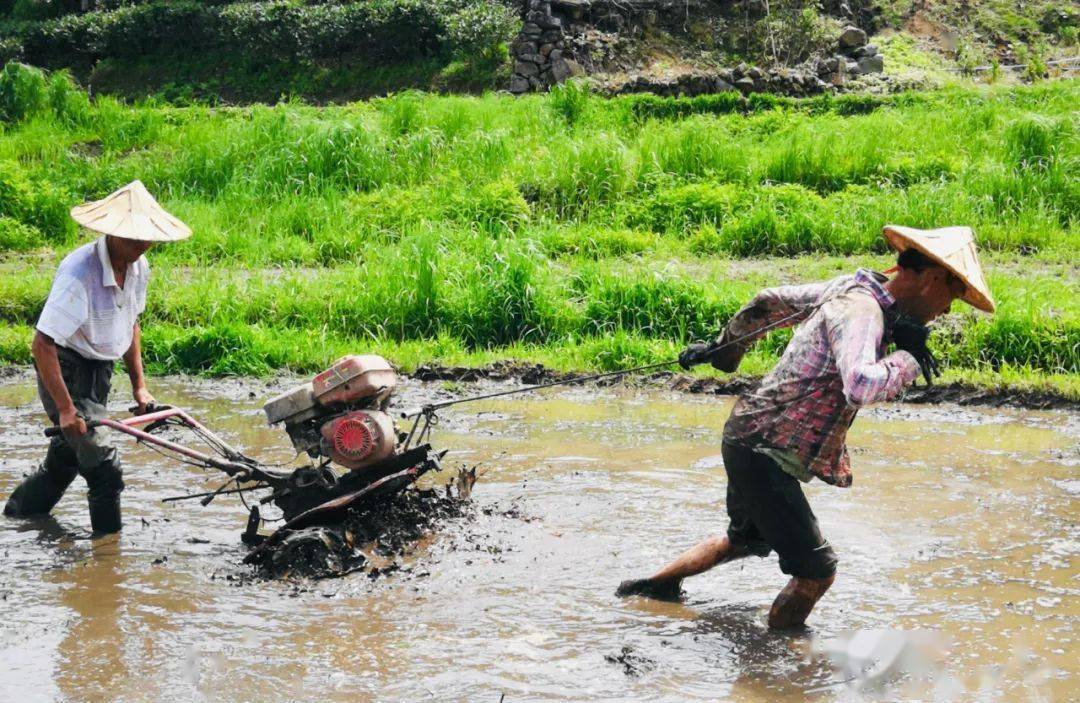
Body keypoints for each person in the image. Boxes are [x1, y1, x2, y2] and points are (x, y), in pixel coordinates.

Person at [615, 225, 995, 628]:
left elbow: (769, 302)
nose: (949, 309)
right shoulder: (861, 311)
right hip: (764, 452)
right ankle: (776, 663)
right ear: (933, 277)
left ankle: (651, 587)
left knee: (745, 540)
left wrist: (723, 351)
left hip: (747, 435)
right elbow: (862, 385)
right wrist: (909, 358)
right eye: (952, 295)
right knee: (817, 572)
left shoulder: (852, 288)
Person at [3, 181, 191, 534]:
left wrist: (140, 389)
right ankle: (107, 560)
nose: (143, 245)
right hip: (66, 368)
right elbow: (42, 344)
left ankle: (19, 515)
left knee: (66, 459)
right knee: (105, 469)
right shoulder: (80, 273)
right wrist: (64, 408)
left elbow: (131, 324)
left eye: (148, 237)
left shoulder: (139, 267)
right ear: (112, 233)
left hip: (100, 370)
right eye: (135, 237)